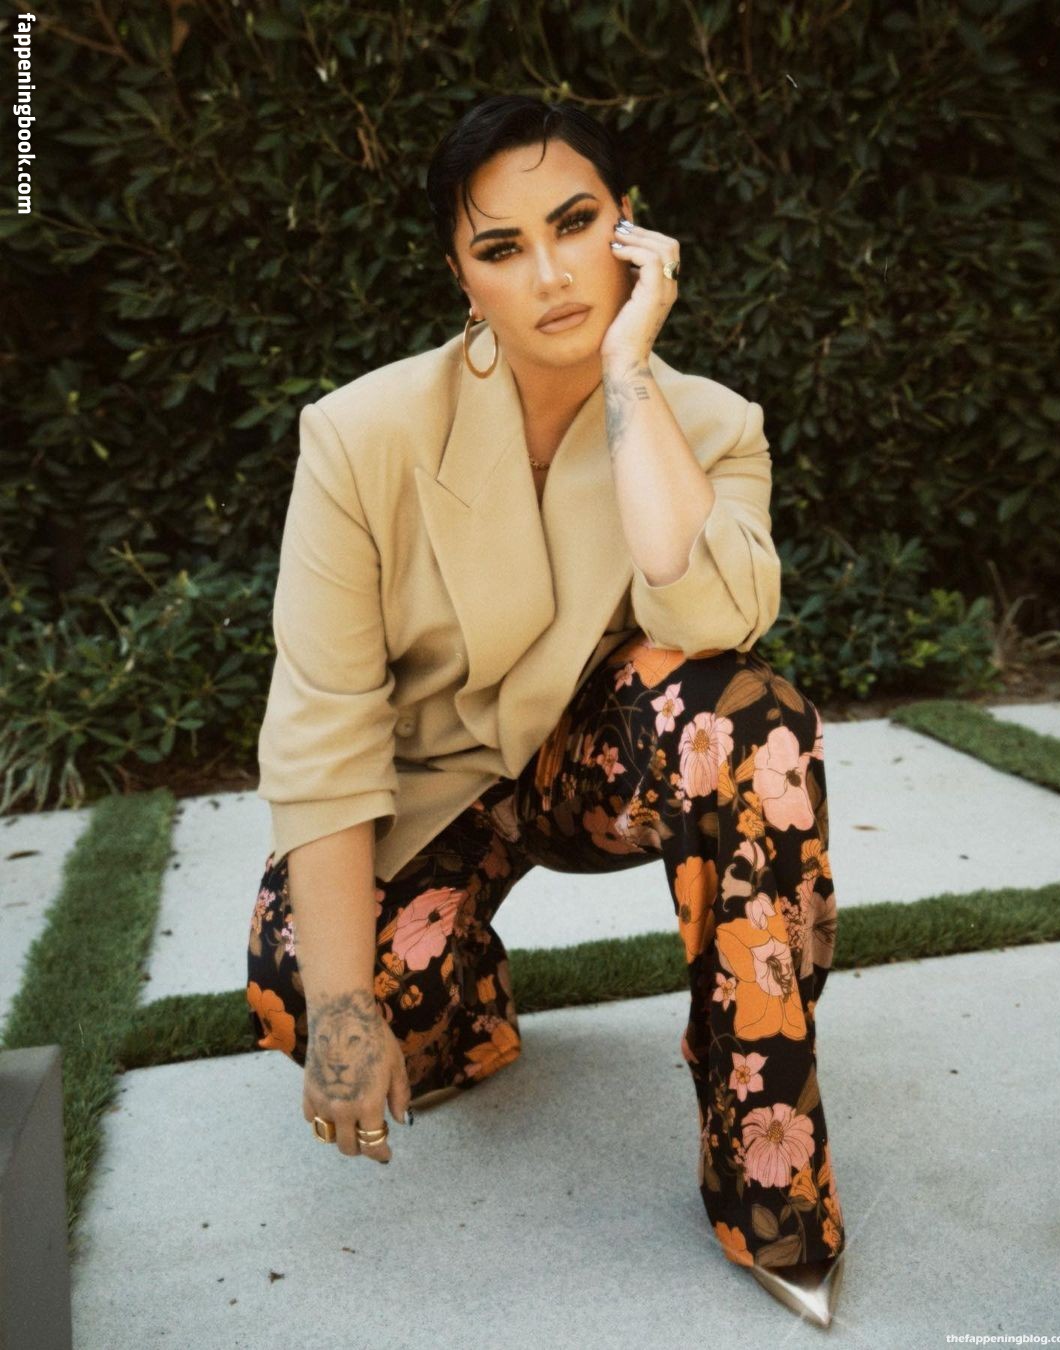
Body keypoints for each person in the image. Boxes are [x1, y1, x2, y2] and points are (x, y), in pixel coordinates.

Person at [247, 93, 846, 1328]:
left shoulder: (715, 423)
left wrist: (629, 375)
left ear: (630, 226)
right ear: (460, 277)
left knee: (753, 724)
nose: (553, 273)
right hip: (434, 791)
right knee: (317, 985)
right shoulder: (358, 435)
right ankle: (465, 1012)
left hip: (598, 772)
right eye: (502, 246)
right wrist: (349, 1008)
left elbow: (718, 619)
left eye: (576, 224)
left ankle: (767, 1170)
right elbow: (322, 726)